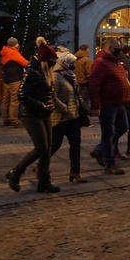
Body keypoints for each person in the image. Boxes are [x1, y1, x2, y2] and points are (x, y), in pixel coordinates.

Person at [5, 37, 60, 193]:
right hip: (31, 114)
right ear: (45, 60)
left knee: (48, 148)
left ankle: (44, 181)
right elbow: (22, 95)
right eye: (51, 60)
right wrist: (41, 105)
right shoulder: (32, 72)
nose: (53, 63)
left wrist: (50, 105)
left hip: (45, 113)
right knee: (41, 147)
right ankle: (16, 172)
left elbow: (48, 91)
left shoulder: (45, 71)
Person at [88, 38, 129, 175]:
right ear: (109, 48)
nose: (119, 49)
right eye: (116, 47)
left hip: (119, 103)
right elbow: (94, 85)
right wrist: (96, 105)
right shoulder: (100, 63)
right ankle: (109, 163)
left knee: (123, 127)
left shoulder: (116, 62)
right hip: (108, 104)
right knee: (108, 133)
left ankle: (99, 150)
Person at [49, 51, 86, 183]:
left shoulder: (71, 75)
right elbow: (53, 97)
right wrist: (63, 108)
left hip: (74, 116)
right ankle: (41, 168)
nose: (73, 66)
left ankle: (75, 171)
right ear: (63, 63)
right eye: (70, 63)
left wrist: (83, 106)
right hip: (61, 117)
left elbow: (76, 92)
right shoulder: (56, 76)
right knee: (54, 145)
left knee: (76, 144)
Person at [114, 46, 130, 161]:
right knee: (123, 127)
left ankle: (119, 150)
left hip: (124, 101)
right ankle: (105, 150)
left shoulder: (121, 63)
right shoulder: (122, 63)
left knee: (127, 126)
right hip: (122, 102)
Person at [1, 37, 29, 128]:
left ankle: (5, 119)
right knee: (14, 100)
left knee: (5, 99)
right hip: (15, 78)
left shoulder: (5, 52)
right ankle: (14, 120)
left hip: (6, 79)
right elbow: (25, 63)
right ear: (14, 45)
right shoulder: (13, 53)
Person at [74, 44, 93, 116]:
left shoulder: (75, 59)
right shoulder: (87, 60)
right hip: (85, 83)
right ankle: (89, 113)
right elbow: (90, 73)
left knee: (79, 100)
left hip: (76, 82)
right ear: (86, 49)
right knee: (84, 101)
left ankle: (82, 118)